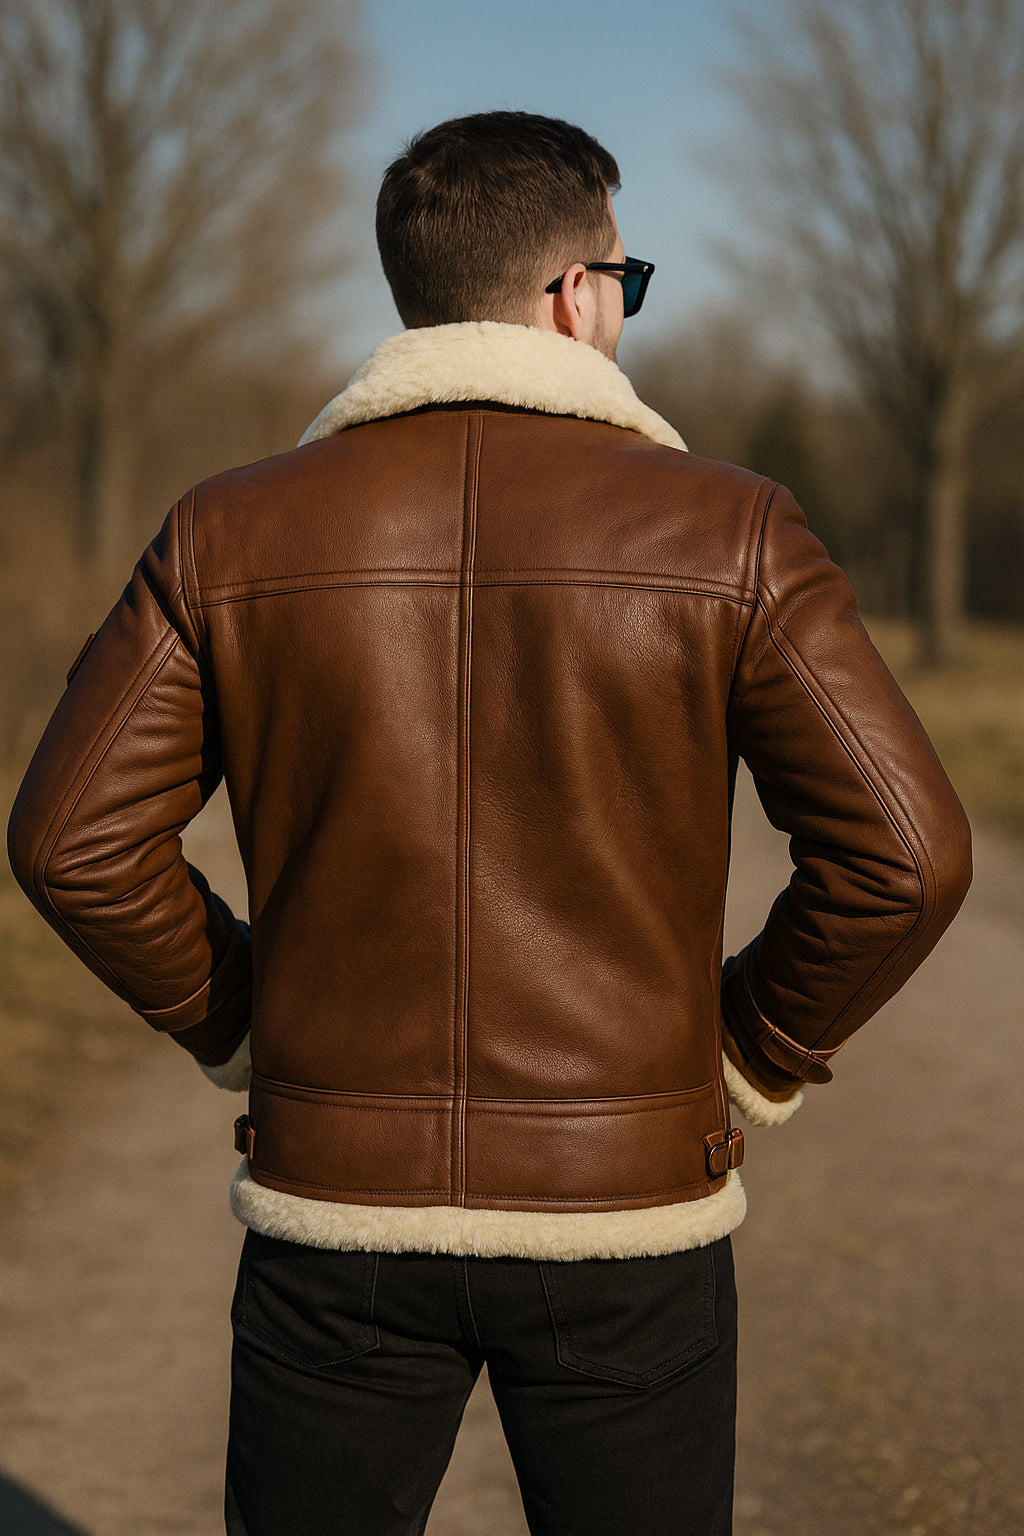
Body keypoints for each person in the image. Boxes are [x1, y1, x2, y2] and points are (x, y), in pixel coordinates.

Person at [6, 110, 973, 1536]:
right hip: (626, 1222)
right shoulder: (733, 529)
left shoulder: (227, 530)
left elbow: (70, 837)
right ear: (572, 294)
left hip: (337, 1213)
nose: (624, 316)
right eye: (627, 285)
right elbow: (910, 853)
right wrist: (747, 1051)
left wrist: (247, 1027)